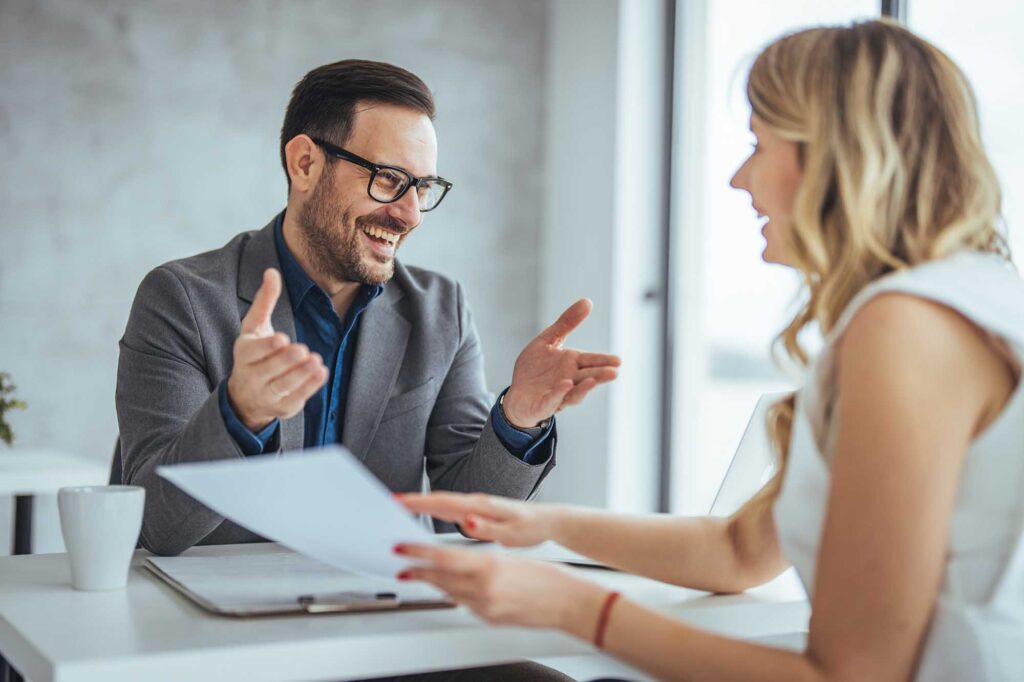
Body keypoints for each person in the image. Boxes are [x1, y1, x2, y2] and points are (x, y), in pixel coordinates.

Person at [395, 20, 1024, 681]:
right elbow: (740, 550)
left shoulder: (903, 330)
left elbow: (850, 676)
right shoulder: (971, 297)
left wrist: (574, 608)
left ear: (836, 154)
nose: (737, 178)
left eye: (758, 144)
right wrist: (540, 525)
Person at [115, 59, 621, 559]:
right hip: (214, 620)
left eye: (422, 188)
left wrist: (519, 418)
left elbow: (466, 515)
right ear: (305, 163)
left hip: (382, 608)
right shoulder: (181, 299)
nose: (410, 214)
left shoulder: (442, 310)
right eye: (388, 179)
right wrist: (240, 413)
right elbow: (158, 527)